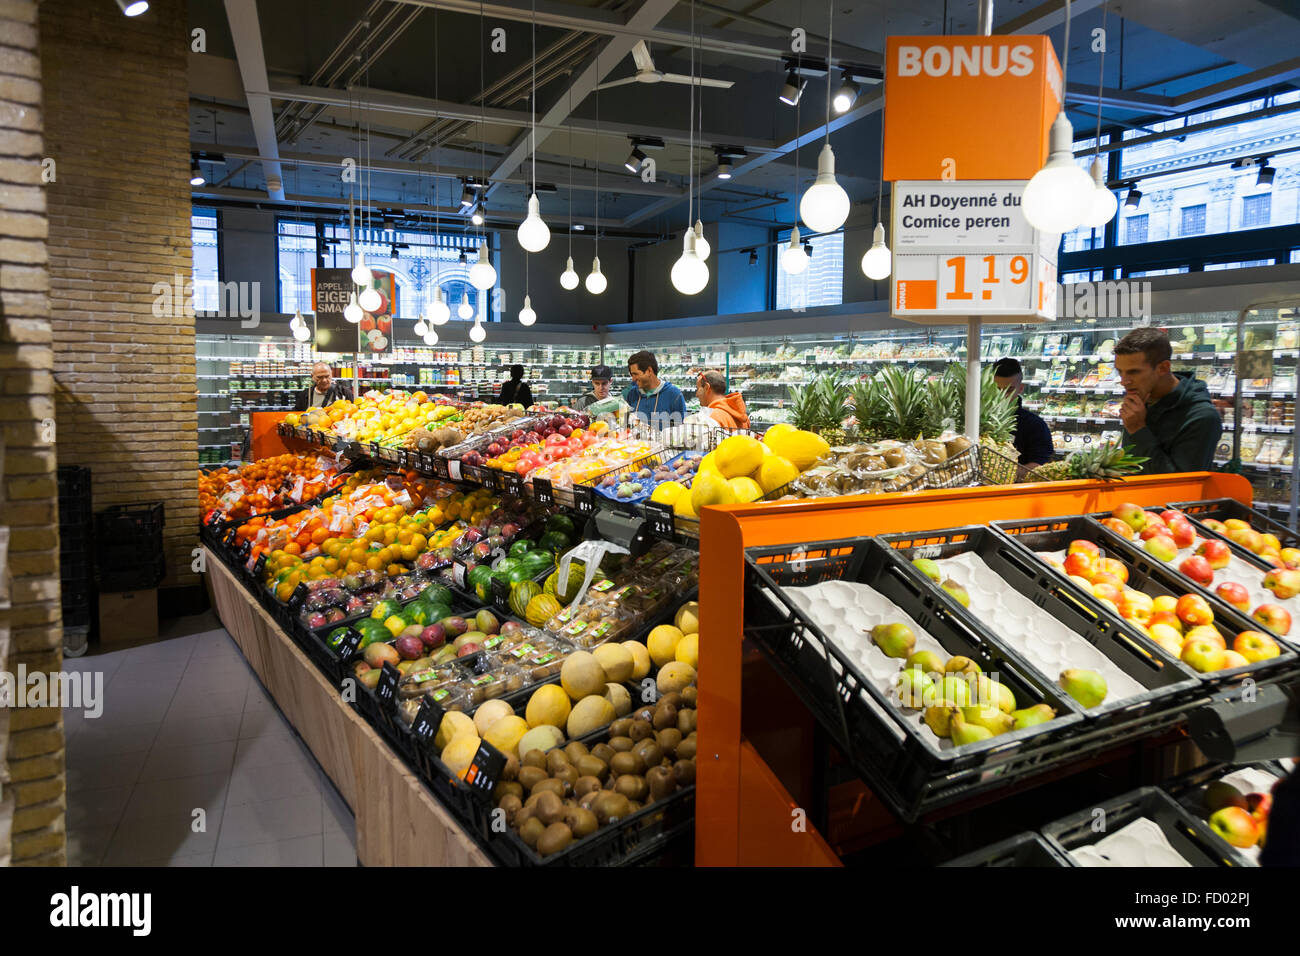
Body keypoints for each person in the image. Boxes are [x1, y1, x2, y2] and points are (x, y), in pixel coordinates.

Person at [1115, 327, 1222, 474]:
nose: (1124, 381)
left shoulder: (1202, 417)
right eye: (1120, 372)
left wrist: (1138, 430)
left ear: (1163, 368)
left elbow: (1180, 485)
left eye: (1134, 372)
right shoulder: (1142, 400)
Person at [992, 358, 1054, 475]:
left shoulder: (1035, 425)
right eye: (997, 389)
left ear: (1020, 388)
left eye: (1009, 390)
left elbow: (1041, 463)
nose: (1002, 396)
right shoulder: (977, 422)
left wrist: (1006, 475)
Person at [623, 350, 687, 429]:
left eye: (635, 374)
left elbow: (681, 429)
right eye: (632, 375)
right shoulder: (632, 394)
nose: (633, 379)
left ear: (649, 371)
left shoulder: (674, 395)